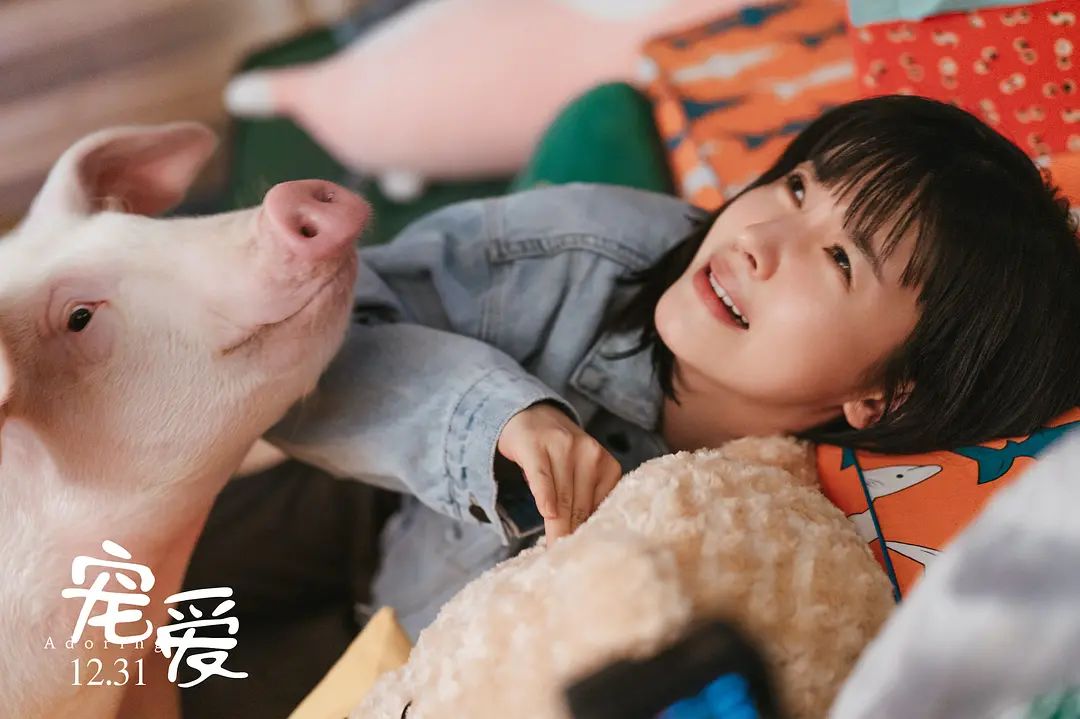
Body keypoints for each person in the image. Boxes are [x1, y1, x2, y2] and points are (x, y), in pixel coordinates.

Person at [193, 95, 1080, 643]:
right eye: (797, 187)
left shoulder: (822, 528)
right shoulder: (585, 249)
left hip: (419, 663)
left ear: (885, 395)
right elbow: (305, 335)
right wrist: (493, 417)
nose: (759, 238)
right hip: (376, 490)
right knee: (121, 601)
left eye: (840, 258)